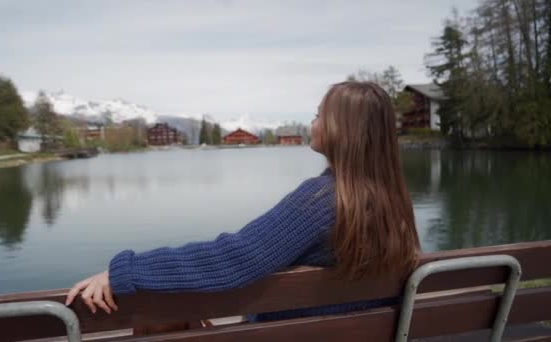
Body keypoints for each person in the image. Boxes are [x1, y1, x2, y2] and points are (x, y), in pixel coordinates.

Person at [65, 81, 421, 322]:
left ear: (343, 129)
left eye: (318, 115)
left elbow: (233, 259)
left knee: (162, 322)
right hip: (352, 331)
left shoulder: (321, 202)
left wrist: (123, 271)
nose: (312, 123)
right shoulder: (393, 200)